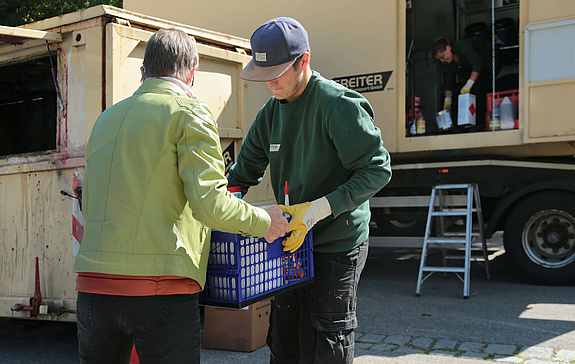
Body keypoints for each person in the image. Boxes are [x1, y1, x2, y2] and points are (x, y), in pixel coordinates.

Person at [73, 28, 289, 364]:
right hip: (160, 288)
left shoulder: (106, 119)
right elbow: (210, 205)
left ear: (143, 71)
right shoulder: (189, 112)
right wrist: (266, 222)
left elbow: (89, 204)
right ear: (192, 71)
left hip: (93, 289)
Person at [227, 17, 392, 363]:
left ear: (304, 60)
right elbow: (242, 173)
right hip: (291, 244)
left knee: (326, 342)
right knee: (285, 341)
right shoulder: (270, 114)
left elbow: (377, 170)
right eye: (263, 73)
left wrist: (316, 210)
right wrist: (225, 203)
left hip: (337, 242)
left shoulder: (337, 105)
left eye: (278, 72)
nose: (269, 82)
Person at [432, 37, 492, 130]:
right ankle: (458, 126)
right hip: (471, 74)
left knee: (478, 89)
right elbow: (448, 81)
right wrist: (447, 100)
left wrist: (469, 84)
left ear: (448, 48)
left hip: (487, 65)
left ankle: (480, 124)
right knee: (457, 93)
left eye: (442, 56)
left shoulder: (463, 47)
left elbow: (477, 63)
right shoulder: (446, 63)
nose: (442, 60)